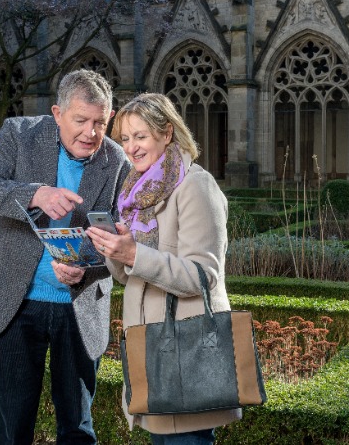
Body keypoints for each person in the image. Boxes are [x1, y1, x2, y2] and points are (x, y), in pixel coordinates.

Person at [0, 69, 131, 445]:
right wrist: (35, 193)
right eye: (80, 121)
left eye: (100, 123)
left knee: (77, 427)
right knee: (12, 426)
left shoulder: (117, 160)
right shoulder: (20, 134)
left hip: (77, 307)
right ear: (58, 114)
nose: (91, 133)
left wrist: (85, 271)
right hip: (15, 301)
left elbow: (120, 240)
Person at [85, 93, 240, 445]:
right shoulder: (136, 195)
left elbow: (203, 276)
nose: (131, 148)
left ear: (167, 133)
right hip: (151, 348)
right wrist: (115, 251)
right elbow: (131, 277)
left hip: (187, 350)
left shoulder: (196, 186)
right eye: (125, 139)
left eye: (140, 136)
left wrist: (135, 253)